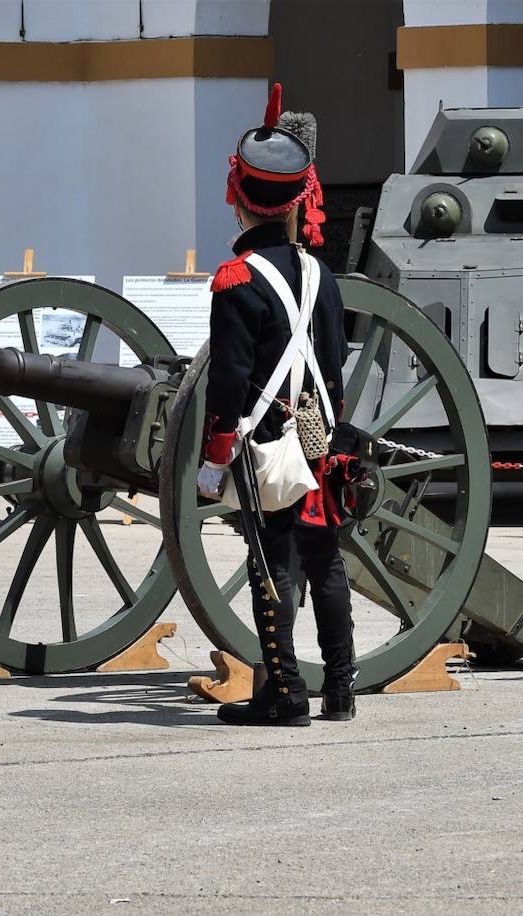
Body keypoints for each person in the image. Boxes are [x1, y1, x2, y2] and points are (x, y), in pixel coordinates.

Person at [197, 84, 357, 725]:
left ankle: (285, 692)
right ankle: (340, 690)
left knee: (270, 559)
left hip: (265, 434)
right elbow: (337, 359)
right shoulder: (322, 275)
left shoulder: (235, 280)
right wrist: (329, 429)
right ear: (297, 198)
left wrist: (215, 454)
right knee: (324, 558)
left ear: (238, 196)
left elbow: (229, 381)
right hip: (317, 431)